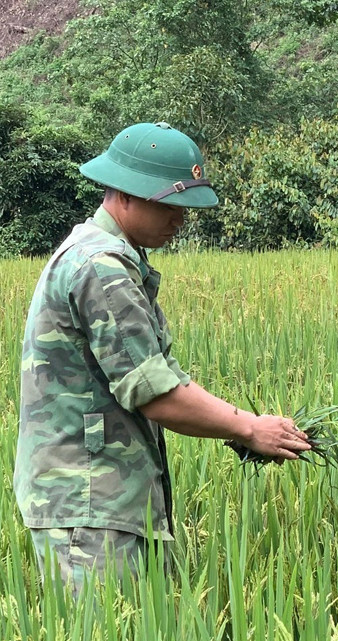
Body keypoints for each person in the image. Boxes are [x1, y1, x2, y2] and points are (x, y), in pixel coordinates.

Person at [15, 122, 311, 596]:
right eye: (170, 204)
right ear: (127, 196)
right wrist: (249, 428)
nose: (181, 219)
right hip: (90, 505)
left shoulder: (111, 258)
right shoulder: (101, 268)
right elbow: (157, 394)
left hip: (109, 500)